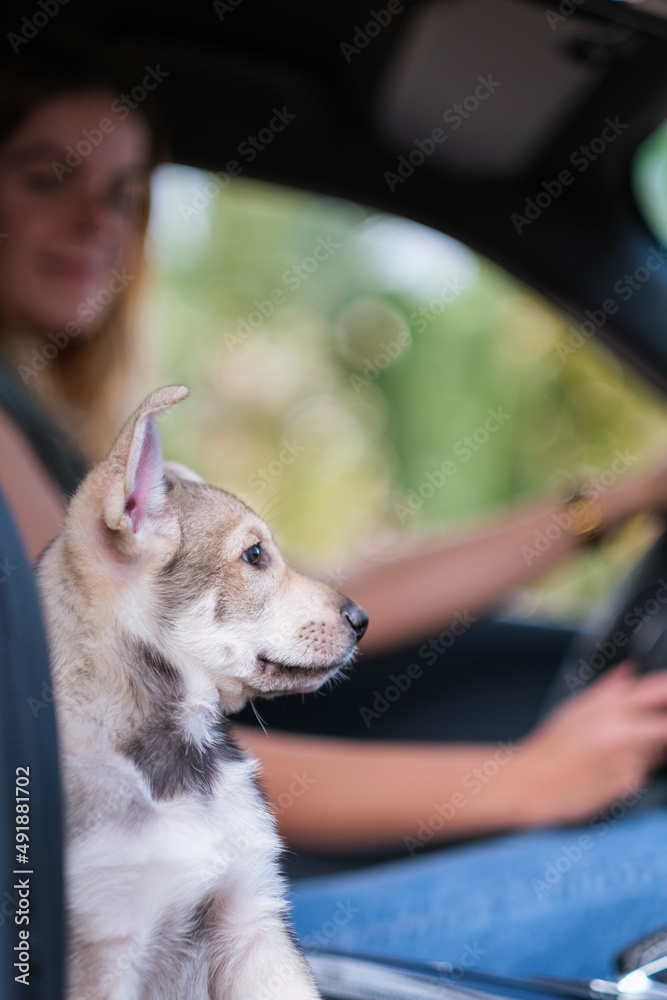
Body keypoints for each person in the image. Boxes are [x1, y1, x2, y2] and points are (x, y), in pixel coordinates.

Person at [2, 46, 667, 982]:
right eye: (45, 178)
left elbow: (332, 598)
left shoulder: (51, 435)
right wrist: (524, 780)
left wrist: (608, 507)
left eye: (124, 195)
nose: (95, 222)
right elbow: (138, 749)